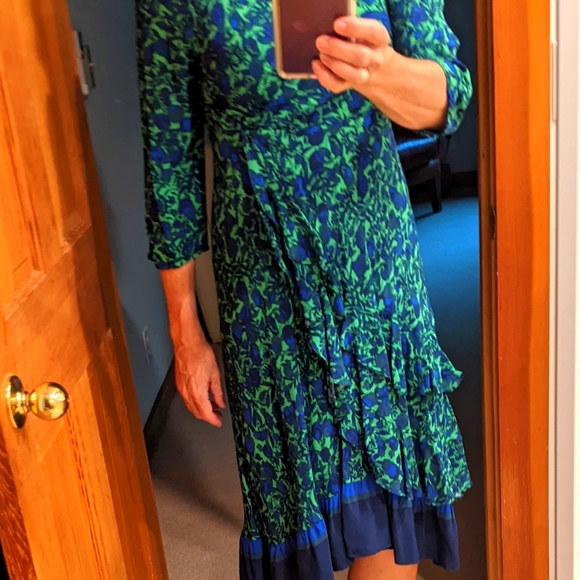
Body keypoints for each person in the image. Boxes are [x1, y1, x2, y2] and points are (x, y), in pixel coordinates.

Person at [136, 0, 472, 578]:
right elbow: (169, 159)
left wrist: (379, 70)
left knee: (391, 487)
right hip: (265, 283)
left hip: (374, 265)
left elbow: (447, 99)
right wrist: (185, 331)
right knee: (294, 498)